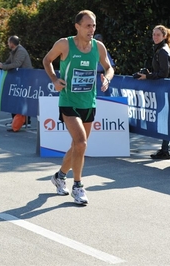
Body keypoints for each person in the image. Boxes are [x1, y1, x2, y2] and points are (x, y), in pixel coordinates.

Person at [42, 10, 114, 204]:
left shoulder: (98, 47)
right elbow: (47, 60)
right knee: (81, 143)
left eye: (94, 26)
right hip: (68, 101)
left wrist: (106, 78)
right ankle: (78, 186)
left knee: (77, 146)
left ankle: (59, 176)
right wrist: (55, 79)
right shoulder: (64, 44)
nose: (91, 29)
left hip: (88, 102)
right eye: (87, 25)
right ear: (78, 26)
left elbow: (109, 67)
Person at [137, 24, 170, 160]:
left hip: (164, 88)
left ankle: (166, 149)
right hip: (164, 88)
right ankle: (166, 148)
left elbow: (164, 73)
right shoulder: (161, 49)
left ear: (164, 36)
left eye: (158, 34)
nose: (155, 37)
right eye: (153, 34)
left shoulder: (163, 51)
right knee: (164, 118)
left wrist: (148, 76)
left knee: (164, 118)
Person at [0, 35, 33, 130]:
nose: (8, 44)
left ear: (12, 43)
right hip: (18, 79)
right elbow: (8, 62)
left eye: (8, 42)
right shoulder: (13, 51)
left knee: (22, 100)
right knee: (14, 99)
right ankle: (15, 121)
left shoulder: (20, 51)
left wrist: (3, 66)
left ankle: (25, 121)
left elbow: (16, 64)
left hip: (25, 78)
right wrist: (1, 64)